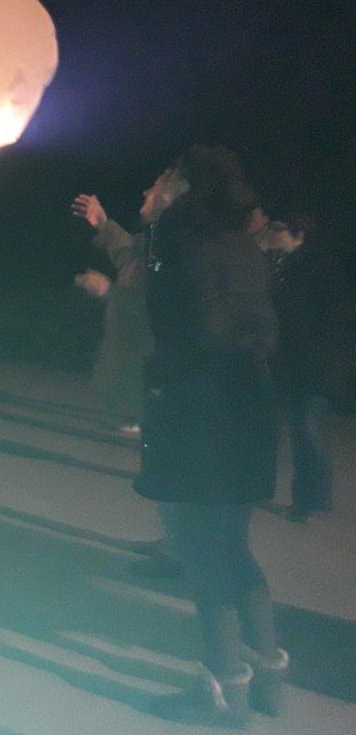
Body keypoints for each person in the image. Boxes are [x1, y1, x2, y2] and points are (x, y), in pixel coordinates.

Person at [136, 146, 287, 726]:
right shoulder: (241, 244)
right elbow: (261, 329)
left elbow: (190, 332)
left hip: (201, 418)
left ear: (186, 185)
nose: (159, 184)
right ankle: (269, 676)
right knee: (234, 550)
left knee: (201, 555)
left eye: (167, 176)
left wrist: (164, 382)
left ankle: (225, 689)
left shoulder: (180, 240)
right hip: (247, 408)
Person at [256, 209, 349, 522]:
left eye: (279, 228)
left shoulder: (317, 268)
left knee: (308, 433)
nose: (271, 232)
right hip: (290, 363)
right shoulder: (280, 265)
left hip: (312, 366)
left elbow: (324, 320)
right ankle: (302, 502)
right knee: (296, 433)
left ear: (299, 235)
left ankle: (315, 503)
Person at [71, 184, 159, 437]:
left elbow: (156, 295)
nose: (146, 192)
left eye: (158, 186)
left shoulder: (172, 242)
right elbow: (131, 256)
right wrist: (101, 222)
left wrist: (109, 291)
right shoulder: (154, 237)